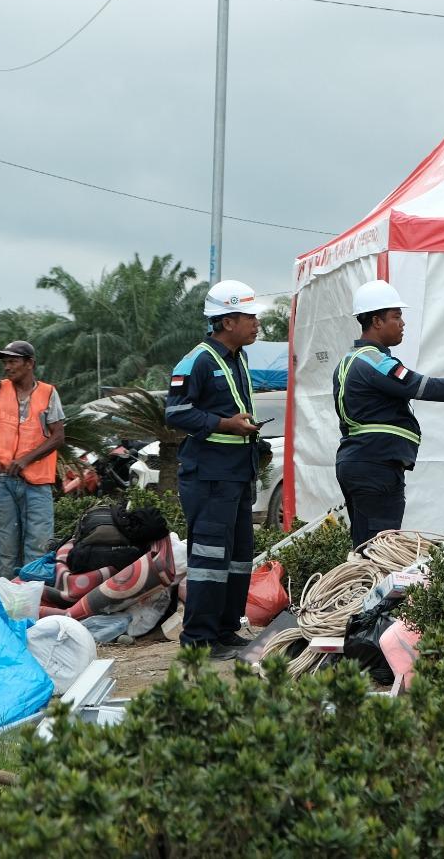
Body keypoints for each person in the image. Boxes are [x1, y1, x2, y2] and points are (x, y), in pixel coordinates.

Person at [333, 279, 444, 548]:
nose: (403, 323)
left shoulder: (348, 361)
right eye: (396, 316)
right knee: (381, 552)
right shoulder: (375, 362)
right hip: (376, 466)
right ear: (376, 321)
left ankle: (358, 590)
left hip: (360, 462)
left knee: (365, 549)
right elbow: (424, 387)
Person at [164, 280, 268, 659]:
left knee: (239, 557)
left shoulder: (237, 357)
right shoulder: (197, 361)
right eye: (249, 316)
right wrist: (225, 425)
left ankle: (225, 631)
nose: (256, 323)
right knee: (209, 560)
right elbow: (175, 412)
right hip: (208, 477)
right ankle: (199, 640)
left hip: (237, 474)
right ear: (227, 321)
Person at [0, 340, 65, 578]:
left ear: (30, 363)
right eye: (5, 362)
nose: (7, 367)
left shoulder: (48, 393)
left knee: (39, 548)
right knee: (5, 549)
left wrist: (25, 460)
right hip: (0, 481)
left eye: (13, 361)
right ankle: (8, 607)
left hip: (37, 483)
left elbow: (58, 436)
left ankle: (34, 604)